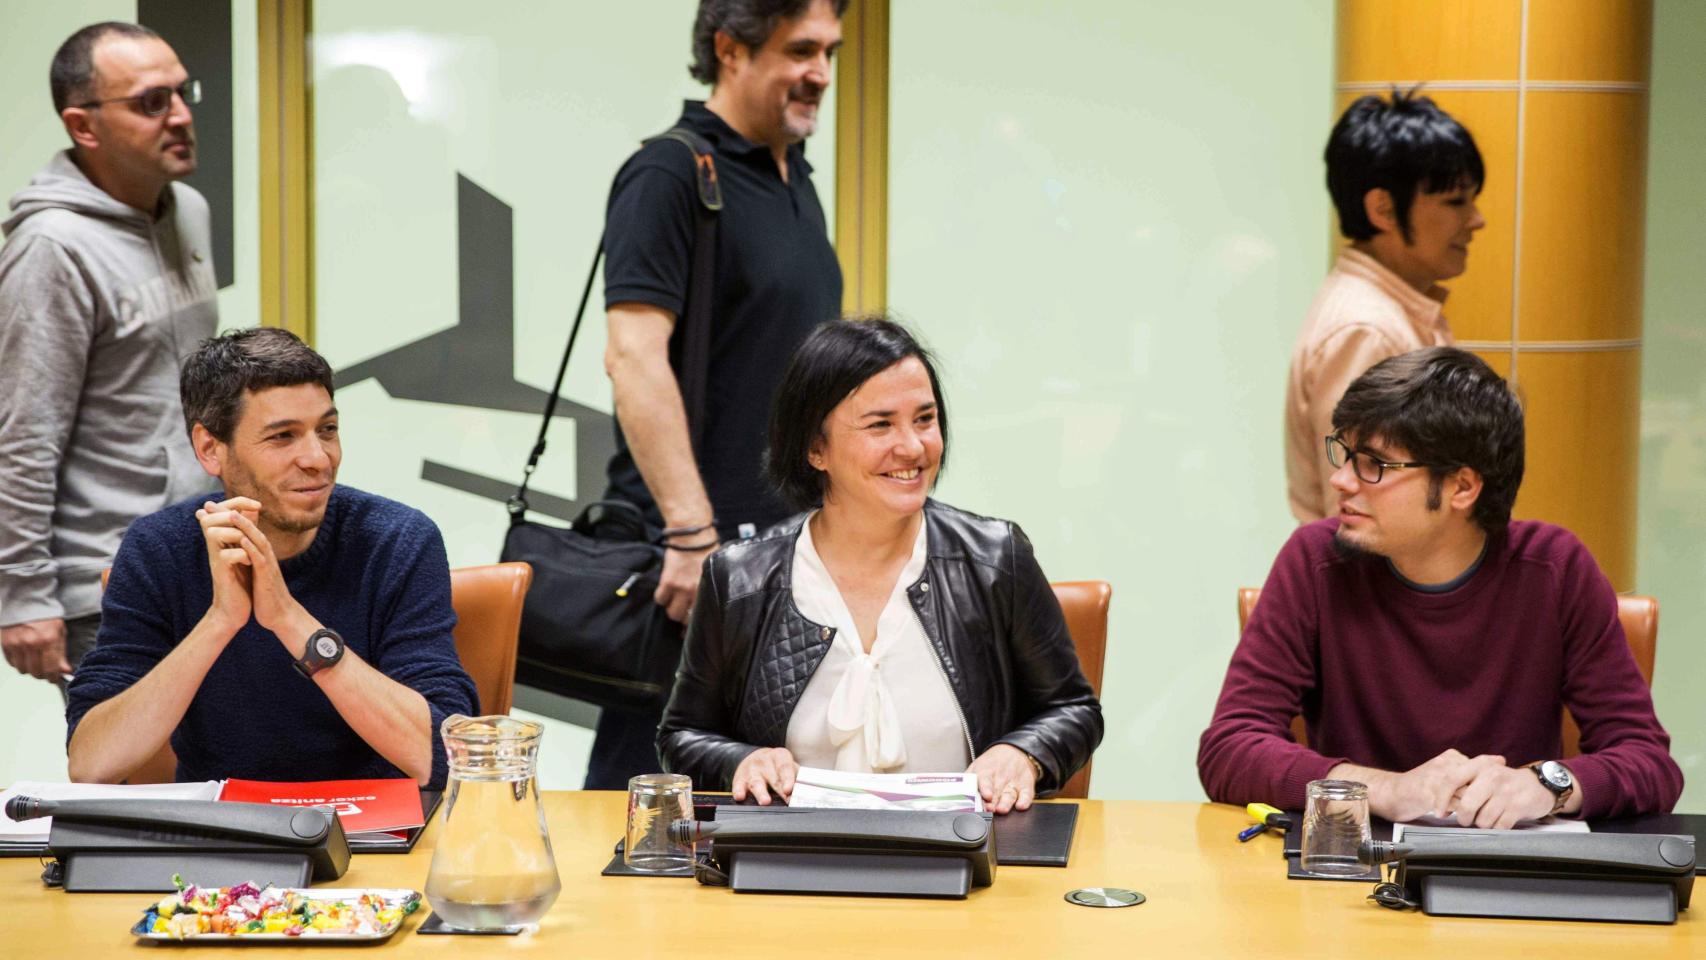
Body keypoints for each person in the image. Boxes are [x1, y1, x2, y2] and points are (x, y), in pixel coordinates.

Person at [1202, 347, 1683, 825]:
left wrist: (1545, 785)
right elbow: (1230, 746)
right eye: (1345, 454)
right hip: (1353, 872)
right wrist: (1386, 789)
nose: (1341, 479)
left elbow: (1649, 761)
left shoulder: (1555, 569)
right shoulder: (1316, 561)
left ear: (1461, 488)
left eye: (1374, 463)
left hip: (1509, 868)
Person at [658, 318, 1103, 813]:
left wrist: (1022, 753)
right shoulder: (738, 580)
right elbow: (682, 736)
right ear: (815, 448)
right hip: (787, 863)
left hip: (963, 857)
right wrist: (740, 760)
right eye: (880, 424)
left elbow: (1073, 709)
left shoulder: (996, 558)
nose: (913, 447)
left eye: (925, 419)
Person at [590, 0, 846, 788]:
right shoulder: (670, 172)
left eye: (830, 52)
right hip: (695, 560)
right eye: (801, 50)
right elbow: (633, 357)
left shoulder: (791, 175)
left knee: (766, 803)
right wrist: (691, 534)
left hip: (782, 551)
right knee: (651, 805)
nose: (821, 74)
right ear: (729, 49)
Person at [66, 328, 478, 787]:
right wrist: (220, 621)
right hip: (222, 837)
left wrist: (287, 618)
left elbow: (444, 756)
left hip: (377, 834)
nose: (318, 458)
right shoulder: (159, 549)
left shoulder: (397, 540)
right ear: (210, 449)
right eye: (283, 437)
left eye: (327, 430)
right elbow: (91, 762)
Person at [0, 22, 217, 695]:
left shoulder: (188, 210)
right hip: (107, 587)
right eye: (152, 102)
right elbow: (22, 436)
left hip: (200, 561)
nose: (180, 116)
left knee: (218, 783)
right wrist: (24, 596)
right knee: (135, 796)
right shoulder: (51, 249)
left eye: (183, 94)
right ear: (83, 126)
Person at [1285, 89, 1485, 522]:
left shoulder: (1393, 312)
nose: (1476, 219)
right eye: (1455, 201)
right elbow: (1358, 516)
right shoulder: (1367, 329)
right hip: (1379, 590)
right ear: (1383, 209)